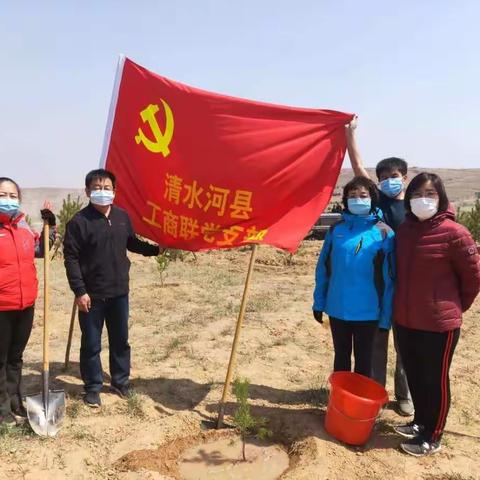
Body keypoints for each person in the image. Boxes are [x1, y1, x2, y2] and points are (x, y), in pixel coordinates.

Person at [393, 172, 480, 456]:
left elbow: (473, 278)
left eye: (430, 194)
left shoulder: (455, 233)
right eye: (417, 194)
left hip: (438, 324)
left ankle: (434, 434)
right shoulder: (404, 230)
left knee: (435, 380)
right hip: (406, 319)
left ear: (441, 198)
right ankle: (419, 422)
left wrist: (452, 308)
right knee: (416, 375)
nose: (423, 200)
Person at [63, 169, 162, 408]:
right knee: (91, 343)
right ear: (87, 191)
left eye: (107, 188)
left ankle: (120, 381)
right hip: (91, 296)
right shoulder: (79, 222)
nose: (102, 192)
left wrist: (156, 250)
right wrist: (79, 291)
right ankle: (93, 388)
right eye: (97, 188)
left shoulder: (121, 217)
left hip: (119, 292)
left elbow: (132, 243)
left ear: (115, 192)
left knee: (120, 340)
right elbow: (71, 258)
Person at [345, 117, 413, 416]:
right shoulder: (378, 203)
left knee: (406, 343)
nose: (389, 180)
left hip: (410, 284)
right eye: (384, 176)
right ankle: (376, 393)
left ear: (405, 177)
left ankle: (405, 394)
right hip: (380, 284)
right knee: (377, 340)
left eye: (394, 175)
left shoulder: (414, 205)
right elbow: (359, 168)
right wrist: (350, 134)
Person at [313, 176, 395, 377]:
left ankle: (358, 405)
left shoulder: (384, 233)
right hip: (337, 308)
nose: (357, 199)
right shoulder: (336, 230)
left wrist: (385, 319)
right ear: (345, 200)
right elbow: (323, 268)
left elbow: (389, 279)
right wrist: (319, 302)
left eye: (363, 195)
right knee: (340, 357)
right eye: (352, 195)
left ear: (372, 199)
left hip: (368, 312)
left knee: (364, 362)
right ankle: (340, 404)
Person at [0, 177, 55, 425]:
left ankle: (15, 402)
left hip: (25, 304)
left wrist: (50, 227)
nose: (8, 200)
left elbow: (41, 250)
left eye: (13, 195)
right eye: (3, 195)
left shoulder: (23, 227)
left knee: (16, 357)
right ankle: (2, 411)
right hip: (2, 306)